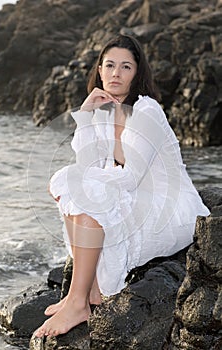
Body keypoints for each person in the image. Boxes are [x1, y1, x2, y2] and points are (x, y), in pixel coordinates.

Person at [34, 34, 210, 338]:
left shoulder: (147, 110)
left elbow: (130, 177)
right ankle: (86, 293)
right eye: (110, 65)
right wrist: (86, 113)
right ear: (100, 70)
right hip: (134, 193)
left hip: (167, 205)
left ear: (137, 74)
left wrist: (86, 184)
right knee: (74, 183)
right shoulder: (103, 109)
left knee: (88, 194)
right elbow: (86, 162)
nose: (116, 73)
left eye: (126, 67)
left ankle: (79, 302)